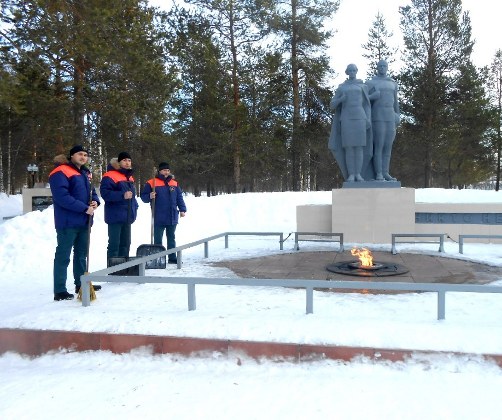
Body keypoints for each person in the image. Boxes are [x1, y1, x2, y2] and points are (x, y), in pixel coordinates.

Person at [49, 145, 101, 301]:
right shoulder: (60, 172)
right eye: (80, 154)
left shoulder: (85, 173)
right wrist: (84, 208)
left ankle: (81, 283)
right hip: (67, 222)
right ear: (72, 156)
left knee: (81, 255)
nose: (83, 157)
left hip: (84, 221)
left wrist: (95, 202)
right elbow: (62, 197)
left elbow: (92, 192)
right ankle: (59, 290)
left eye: (85, 154)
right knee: (63, 256)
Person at [328, 64, 372, 182]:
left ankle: (358, 173)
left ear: (357, 71)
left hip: (360, 118)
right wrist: (340, 100)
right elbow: (332, 105)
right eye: (350, 70)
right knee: (349, 148)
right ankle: (351, 174)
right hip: (347, 119)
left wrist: (368, 119)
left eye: (354, 70)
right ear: (347, 72)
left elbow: (367, 105)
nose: (352, 72)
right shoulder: (342, 88)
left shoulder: (363, 86)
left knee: (359, 147)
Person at [140, 162, 187, 264]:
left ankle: (172, 257)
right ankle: (159, 258)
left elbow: (179, 197)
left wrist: (183, 209)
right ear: (159, 171)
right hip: (158, 216)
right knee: (158, 239)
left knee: (171, 238)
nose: (166, 172)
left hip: (172, 215)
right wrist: (149, 196)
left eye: (168, 170)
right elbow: (143, 197)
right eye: (164, 170)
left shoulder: (174, 183)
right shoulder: (152, 183)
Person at [100, 152, 139, 261]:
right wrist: (122, 195)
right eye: (124, 160)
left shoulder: (129, 177)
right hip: (115, 216)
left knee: (126, 244)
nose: (127, 163)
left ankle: (123, 268)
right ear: (119, 162)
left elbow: (132, 196)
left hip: (127, 216)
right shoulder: (109, 175)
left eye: (129, 160)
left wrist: (135, 206)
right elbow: (105, 194)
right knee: (114, 245)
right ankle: (113, 270)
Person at [366, 59, 400, 181]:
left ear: (387, 67)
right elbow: (365, 101)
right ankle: (379, 173)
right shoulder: (370, 83)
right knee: (379, 146)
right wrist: (372, 97)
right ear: (377, 68)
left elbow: (396, 101)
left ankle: (386, 172)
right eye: (380, 66)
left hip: (390, 115)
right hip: (378, 115)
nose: (382, 68)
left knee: (388, 147)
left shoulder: (393, 83)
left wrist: (398, 114)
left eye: (384, 66)